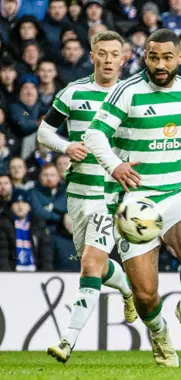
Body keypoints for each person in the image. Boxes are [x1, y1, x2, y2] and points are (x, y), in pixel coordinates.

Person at [84, 29, 181, 367]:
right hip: (133, 201)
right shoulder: (127, 92)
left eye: (167, 57)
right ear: (145, 57)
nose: (160, 64)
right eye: (153, 57)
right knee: (144, 292)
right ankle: (158, 334)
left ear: (180, 58)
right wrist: (115, 166)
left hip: (175, 192)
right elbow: (94, 134)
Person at [37, 31, 136, 364]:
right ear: (92, 56)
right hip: (77, 193)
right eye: (102, 53)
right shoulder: (74, 92)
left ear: (124, 59)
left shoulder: (133, 97)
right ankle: (127, 288)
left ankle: (67, 340)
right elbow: (43, 131)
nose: (109, 60)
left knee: (90, 265)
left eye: (115, 54)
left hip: (109, 196)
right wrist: (66, 146)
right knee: (96, 266)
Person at [0, 189, 52, 271]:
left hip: (35, 273)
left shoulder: (38, 225)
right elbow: (2, 255)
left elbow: (45, 255)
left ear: (29, 207)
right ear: (11, 206)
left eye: (24, 202)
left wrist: (45, 274)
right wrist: (7, 276)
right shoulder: (3, 224)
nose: (20, 206)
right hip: (12, 274)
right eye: (16, 202)